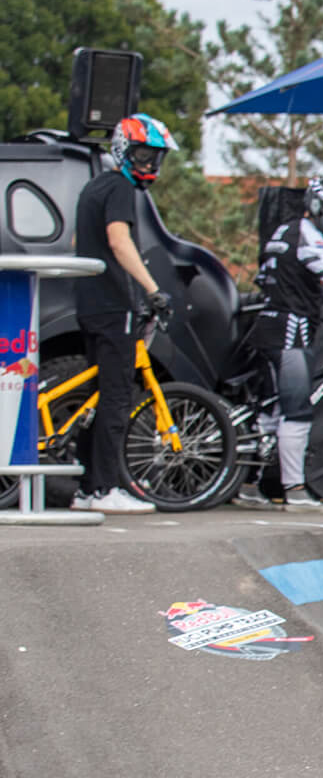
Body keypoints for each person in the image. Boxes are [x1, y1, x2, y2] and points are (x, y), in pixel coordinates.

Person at [238, 175, 323, 512]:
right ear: (321, 211)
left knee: (271, 412)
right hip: (291, 327)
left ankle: (248, 487)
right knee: (297, 412)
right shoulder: (307, 236)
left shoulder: (283, 231)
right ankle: (296, 491)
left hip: (269, 325)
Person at [69, 114, 178, 514]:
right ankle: (103, 489)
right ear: (124, 150)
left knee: (96, 398)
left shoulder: (93, 186)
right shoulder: (119, 188)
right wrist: (152, 290)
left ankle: (86, 487)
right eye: (145, 155)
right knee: (116, 399)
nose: (150, 164)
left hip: (88, 302)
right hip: (114, 306)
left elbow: (82, 241)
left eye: (155, 157)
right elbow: (119, 240)